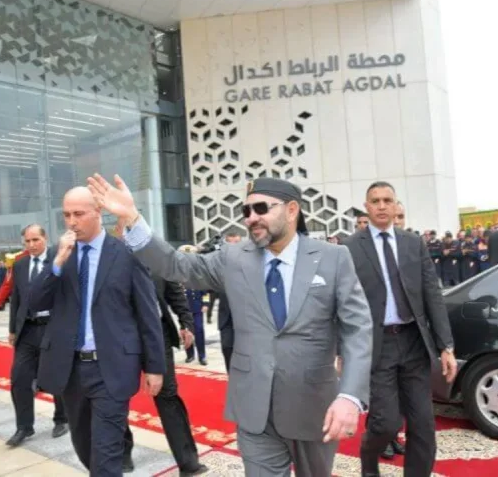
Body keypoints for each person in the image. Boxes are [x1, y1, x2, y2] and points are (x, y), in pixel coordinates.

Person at [89, 174, 372, 476]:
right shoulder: (233, 258)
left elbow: (357, 329)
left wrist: (350, 396)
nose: (252, 218)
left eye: (261, 208)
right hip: (253, 409)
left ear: (292, 210)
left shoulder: (333, 257)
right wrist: (132, 217)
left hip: (313, 406)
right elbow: (175, 264)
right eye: (246, 211)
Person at [29, 187, 166, 475]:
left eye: (78, 214)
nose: (71, 222)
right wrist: (56, 265)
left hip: (112, 367)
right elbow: (34, 303)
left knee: (107, 455)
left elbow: (147, 313)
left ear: (98, 213)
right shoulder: (59, 254)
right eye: (66, 215)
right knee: (84, 446)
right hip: (71, 369)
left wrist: (155, 366)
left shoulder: (126, 254)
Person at [342, 182, 456, 477]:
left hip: (414, 342)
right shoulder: (350, 248)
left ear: (396, 206)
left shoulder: (412, 243)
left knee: (423, 425)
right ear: (366, 207)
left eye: (387, 200)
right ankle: (369, 463)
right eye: (375, 201)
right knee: (386, 423)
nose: (382, 206)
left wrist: (446, 346)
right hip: (377, 346)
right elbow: (340, 302)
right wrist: (341, 349)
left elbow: (432, 294)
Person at [122, 273, 208, 475]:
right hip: (122, 337)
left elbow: (175, 294)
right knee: (118, 396)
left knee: (168, 395)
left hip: (157, 333)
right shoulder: (108, 254)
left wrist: (186, 323)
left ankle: (188, 462)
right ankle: (123, 452)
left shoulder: (154, 255)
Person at [6, 224, 68, 447]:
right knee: (19, 378)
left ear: (45, 238)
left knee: (55, 376)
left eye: (35, 240)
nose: (31, 245)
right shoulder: (21, 265)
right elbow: (17, 299)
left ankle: (62, 418)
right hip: (28, 330)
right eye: (27, 241)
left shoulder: (60, 258)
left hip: (52, 327)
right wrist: (13, 329)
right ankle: (24, 426)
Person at [216, 231, 242, 372]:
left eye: (236, 244)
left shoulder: (252, 264)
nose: (233, 248)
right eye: (230, 244)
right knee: (228, 354)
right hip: (226, 321)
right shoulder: (220, 265)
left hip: (247, 323)